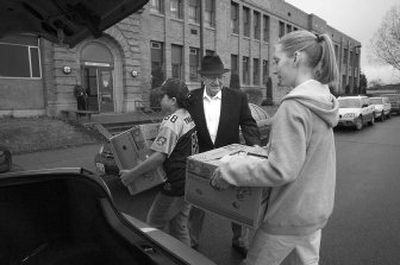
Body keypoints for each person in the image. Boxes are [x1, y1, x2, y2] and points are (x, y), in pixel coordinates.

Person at [209, 30, 340, 265]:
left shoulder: (294, 107)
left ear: (296, 58)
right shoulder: (323, 101)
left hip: (288, 215)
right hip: (313, 212)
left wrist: (230, 171)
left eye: (277, 61)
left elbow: (282, 170)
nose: (275, 69)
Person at [187, 54, 261, 256]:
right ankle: (191, 240)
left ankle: (240, 240)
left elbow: (248, 123)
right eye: (212, 77)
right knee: (196, 202)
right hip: (201, 160)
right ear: (202, 77)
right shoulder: (190, 99)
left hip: (230, 160)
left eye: (220, 77)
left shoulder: (237, 98)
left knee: (237, 202)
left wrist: (255, 146)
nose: (217, 82)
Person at [120, 78, 198, 246]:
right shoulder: (186, 116)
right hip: (188, 181)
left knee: (152, 225)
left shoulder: (172, 122)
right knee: (179, 227)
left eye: (163, 96)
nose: (159, 100)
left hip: (175, 184)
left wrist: (131, 175)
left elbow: (159, 157)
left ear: (173, 100)